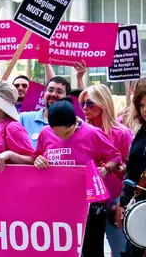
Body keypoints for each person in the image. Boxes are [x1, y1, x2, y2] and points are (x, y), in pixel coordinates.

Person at [33, 98, 122, 257]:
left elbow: (115, 157)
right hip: (58, 203)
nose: (63, 138)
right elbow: (37, 156)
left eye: (67, 133)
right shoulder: (45, 133)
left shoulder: (92, 133)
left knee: (91, 250)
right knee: (61, 249)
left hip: (90, 205)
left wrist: (106, 169)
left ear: (75, 121)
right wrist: (38, 160)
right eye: (57, 134)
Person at [79, 84, 133, 256]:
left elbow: (131, 171)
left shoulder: (122, 133)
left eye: (90, 104)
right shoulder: (81, 133)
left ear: (103, 104)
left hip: (115, 201)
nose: (85, 108)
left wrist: (115, 166)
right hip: (88, 202)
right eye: (83, 104)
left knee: (120, 251)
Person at [116, 81, 146, 257]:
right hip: (137, 211)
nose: (144, 110)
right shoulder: (141, 131)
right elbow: (132, 171)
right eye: (141, 105)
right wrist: (123, 202)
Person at [20, 76, 71, 149]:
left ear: (67, 98)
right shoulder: (23, 119)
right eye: (50, 90)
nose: (53, 94)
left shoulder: (75, 125)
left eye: (59, 92)